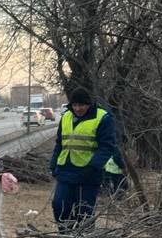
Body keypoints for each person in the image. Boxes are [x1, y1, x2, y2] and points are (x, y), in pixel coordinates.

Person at [50, 88, 117, 230]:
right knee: (59, 206)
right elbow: (59, 143)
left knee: (84, 212)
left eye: (81, 105)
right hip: (65, 170)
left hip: (88, 174)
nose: (78, 109)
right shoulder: (66, 116)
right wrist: (53, 163)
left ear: (89, 104)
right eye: (74, 105)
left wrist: (93, 166)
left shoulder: (103, 118)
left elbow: (107, 146)